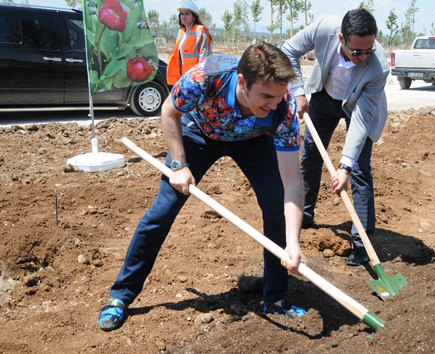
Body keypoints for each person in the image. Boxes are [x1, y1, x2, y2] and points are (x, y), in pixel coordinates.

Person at [98, 42, 308, 332]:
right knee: (163, 210)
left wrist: (293, 242)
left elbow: (292, 180)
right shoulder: (206, 78)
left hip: (254, 141)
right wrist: (178, 165)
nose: (274, 104)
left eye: (279, 96)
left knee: (276, 206)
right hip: (200, 134)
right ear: (243, 82)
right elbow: (170, 111)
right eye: (267, 96)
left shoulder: (281, 110)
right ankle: (120, 296)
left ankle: (275, 298)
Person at [281, 9, 389, 266]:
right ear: (341, 38)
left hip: (359, 106)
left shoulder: (378, 67)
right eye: (357, 52)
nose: (363, 57)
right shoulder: (324, 28)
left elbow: (361, 120)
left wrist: (345, 167)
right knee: (310, 156)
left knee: (360, 169)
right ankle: (304, 214)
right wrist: (297, 92)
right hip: (324, 97)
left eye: (369, 50)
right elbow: (288, 49)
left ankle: (362, 242)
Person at [166, 1, 213, 86]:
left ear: (194, 17)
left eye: (187, 14)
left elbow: (204, 56)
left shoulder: (200, 31)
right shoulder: (181, 33)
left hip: (196, 78)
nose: (183, 16)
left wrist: (199, 78)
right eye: (182, 14)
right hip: (184, 77)